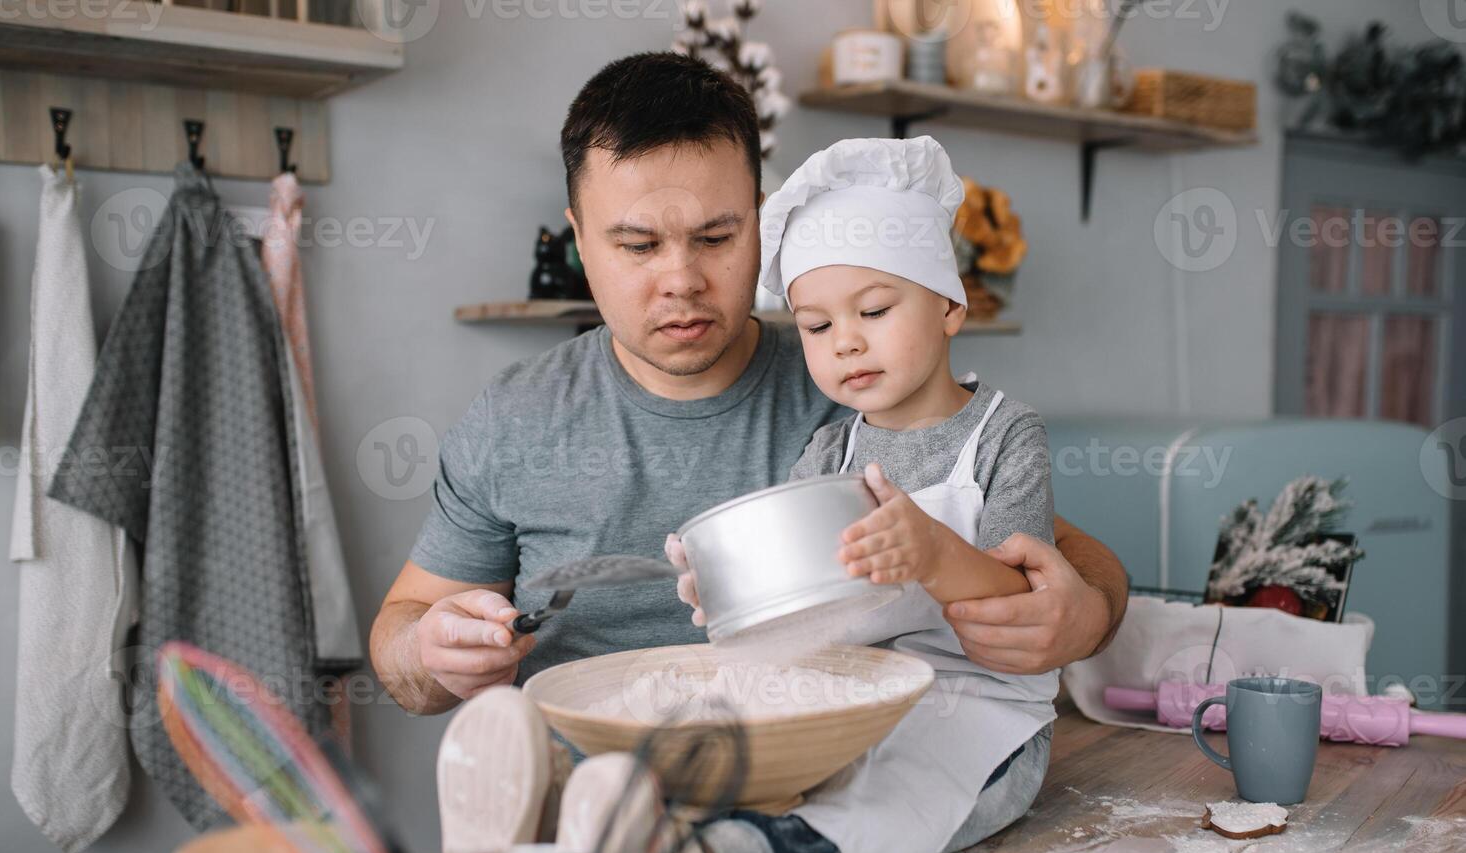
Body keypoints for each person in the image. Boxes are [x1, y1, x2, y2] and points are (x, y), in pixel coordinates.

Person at [369, 52, 1128, 723]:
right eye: (637, 245)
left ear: (762, 225)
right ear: (577, 236)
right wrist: (431, 652)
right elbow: (401, 642)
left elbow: (1058, 553)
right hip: (584, 801)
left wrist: (1085, 616)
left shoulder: (857, 374)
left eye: (716, 238)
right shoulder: (516, 418)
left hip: (821, 768)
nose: (683, 282)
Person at [651, 134, 1059, 853]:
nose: (844, 340)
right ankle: (642, 831)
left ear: (949, 306)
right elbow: (803, 599)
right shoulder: (830, 449)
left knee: (891, 805)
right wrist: (732, 587)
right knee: (740, 748)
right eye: (813, 325)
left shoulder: (1006, 436)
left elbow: (1024, 597)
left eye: (873, 310)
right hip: (855, 699)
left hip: (973, 711)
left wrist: (935, 554)